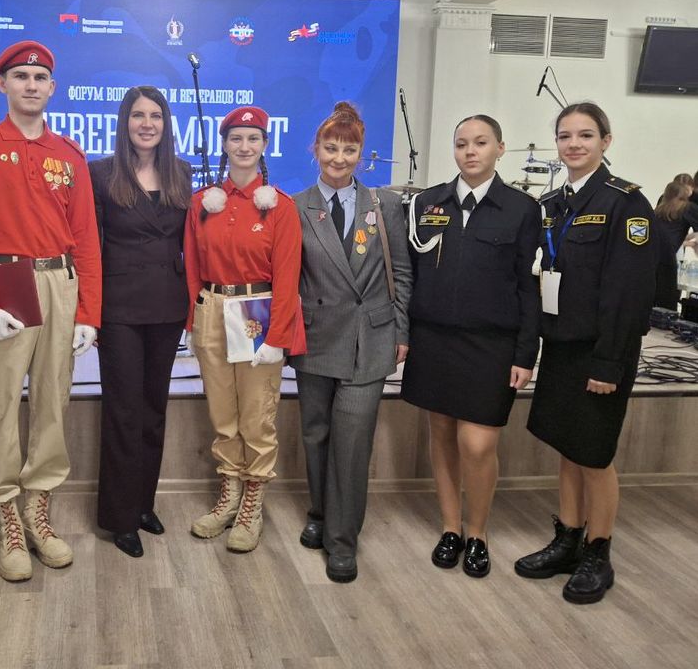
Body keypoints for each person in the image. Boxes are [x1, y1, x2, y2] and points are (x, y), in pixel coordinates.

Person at [0, 40, 102, 582]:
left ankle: (39, 508)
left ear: (52, 88)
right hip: (4, 282)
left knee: (54, 401)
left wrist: (89, 313)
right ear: (2, 85)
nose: (31, 85)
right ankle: (7, 516)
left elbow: (86, 239)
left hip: (60, 281)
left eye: (39, 77)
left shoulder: (70, 155)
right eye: (21, 76)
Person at [516, 102, 656, 605]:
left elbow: (628, 293)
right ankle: (569, 539)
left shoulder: (626, 203)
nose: (573, 144)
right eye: (565, 136)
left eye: (585, 135)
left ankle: (599, 551)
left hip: (601, 351)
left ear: (605, 141)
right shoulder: (553, 203)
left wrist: (608, 361)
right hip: (562, 345)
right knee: (567, 445)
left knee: (594, 455)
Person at [401, 114, 540, 578]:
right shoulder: (427, 203)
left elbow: (529, 287)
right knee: (441, 436)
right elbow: (410, 275)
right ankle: (451, 527)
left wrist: (526, 353)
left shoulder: (522, 208)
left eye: (481, 142)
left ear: (500, 148)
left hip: (491, 345)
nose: (470, 151)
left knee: (477, 444)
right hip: (434, 340)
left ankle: (477, 532)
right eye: (462, 143)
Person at [290, 102, 413, 583]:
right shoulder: (295, 206)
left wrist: (401, 330)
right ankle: (320, 514)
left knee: (353, 440)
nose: (339, 158)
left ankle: (342, 540)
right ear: (315, 150)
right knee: (316, 435)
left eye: (349, 149)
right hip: (315, 336)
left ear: (362, 154)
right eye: (330, 147)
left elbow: (400, 272)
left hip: (370, 338)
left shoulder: (385, 205)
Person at [183, 105, 301, 553]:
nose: (244, 146)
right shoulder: (203, 203)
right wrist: (194, 319)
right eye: (236, 138)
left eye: (253, 139)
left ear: (265, 145)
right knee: (223, 413)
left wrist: (277, 336)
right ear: (225, 145)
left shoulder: (280, 207)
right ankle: (229, 493)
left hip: (258, 312)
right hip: (213, 308)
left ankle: (253, 501)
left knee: (257, 413)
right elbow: (192, 268)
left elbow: (288, 277)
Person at [90, 86, 192, 558]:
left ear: (166, 124)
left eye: (155, 115)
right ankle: (119, 516)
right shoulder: (100, 173)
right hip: (119, 309)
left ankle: (144, 503)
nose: (147, 123)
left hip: (168, 306)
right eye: (137, 115)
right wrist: (88, 311)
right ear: (124, 121)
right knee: (124, 412)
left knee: (154, 409)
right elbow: (90, 246)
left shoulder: (181, 173)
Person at [652, 180, 698, 309]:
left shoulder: (659, 210)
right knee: (667, 303)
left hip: (650, 257)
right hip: (667, 259)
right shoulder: (687, 208)